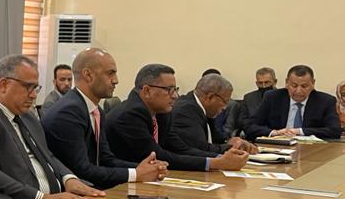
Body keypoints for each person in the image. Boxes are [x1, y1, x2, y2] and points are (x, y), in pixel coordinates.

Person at [0, 55, 104, 199]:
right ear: (4, 85)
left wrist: (68, 179)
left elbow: (47, 156)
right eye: (28, 87)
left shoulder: (27, 117)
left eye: (36, 88)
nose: (34, 95)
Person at [42, 48, 167, 189]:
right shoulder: (68, 112)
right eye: (110, 73)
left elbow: (105, 159)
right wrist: (136, 174)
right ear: (88, 75)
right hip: (74, 192)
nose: (116, 80)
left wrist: (146, 168)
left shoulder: (96, 110)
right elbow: (82, 171)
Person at [106, 64, 249, 171]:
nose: (175, 96)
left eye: (175, 89)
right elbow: (158, 155)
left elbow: (180, 148)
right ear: (147, 91)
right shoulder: (130, 114)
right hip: (117, 186)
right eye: (169, 90)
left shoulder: (161, 112)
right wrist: (215, 163)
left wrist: (220, 158)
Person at [166, 74, 259, 157]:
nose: (224, 108)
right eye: (225, 102)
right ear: (210, 97)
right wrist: (231, 147)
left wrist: (232, 141)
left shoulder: (202, 108)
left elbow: (217, 138)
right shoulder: (186, 110)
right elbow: (201, 148)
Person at [243, 65, 342, 140]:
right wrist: (274, 133)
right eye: (294, 85)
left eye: (304, 86)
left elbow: (335, 130)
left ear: (313, 84)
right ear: (287, 83)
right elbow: (250, 126)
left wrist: (299, 131)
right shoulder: (273, 97)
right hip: (277, 147)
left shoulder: (325, 101)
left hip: (311, 149)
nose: (298, 91)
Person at [222, 66, 277, 138]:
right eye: (260, 83)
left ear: (275, 82)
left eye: (267, 83)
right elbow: (243, 121)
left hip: (278, 135)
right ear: (256, 83)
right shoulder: (249, 98)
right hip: (254, 135)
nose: (263, 86)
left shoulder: (283, 97)